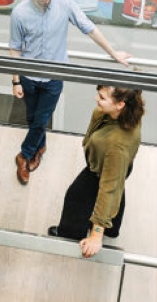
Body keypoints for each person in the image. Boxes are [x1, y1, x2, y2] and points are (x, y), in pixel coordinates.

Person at [9, 0, 132, 185]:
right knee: (33, 118)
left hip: (54, 77)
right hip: (29, 77)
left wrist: (113, 53)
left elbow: (89, 28)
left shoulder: (64, 4)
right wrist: (16, 80)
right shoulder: (19, 13)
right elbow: (15, 49)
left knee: (40, 120)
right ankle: (40, 147)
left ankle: (23, 155)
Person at [48, 85, 145, 259]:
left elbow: (109, 188)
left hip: (103, 169)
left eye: (102, 97)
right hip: (118, 166)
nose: (96, 99)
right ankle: (112, 228)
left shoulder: (117, 146)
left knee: (75, 197)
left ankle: (70, 235)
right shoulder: (129, 112)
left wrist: (96, 233)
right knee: (118, 189)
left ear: (120, 104)